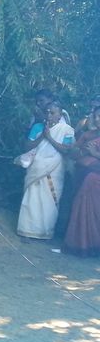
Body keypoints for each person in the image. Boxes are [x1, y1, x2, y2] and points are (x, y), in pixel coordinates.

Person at [16, 101, 75, 240]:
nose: (48, 115)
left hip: (54, 169)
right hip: (36, 168)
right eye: (47, 112)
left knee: (49, 200)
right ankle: (27, 230)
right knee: (32, 198)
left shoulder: (67, 130)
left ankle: (46, 233)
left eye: (52, 113)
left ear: (60, 114)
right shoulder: (37, 127)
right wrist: (42, 135)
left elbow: (66, 150)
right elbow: (27, 146)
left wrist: (49, 138)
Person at [63, 102, 100, 256]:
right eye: (97, 116)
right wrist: (83, 152)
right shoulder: (88, 135)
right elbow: (72, 153)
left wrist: (94, 154)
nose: (98, 119)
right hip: (81, 175)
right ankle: (83, 244)